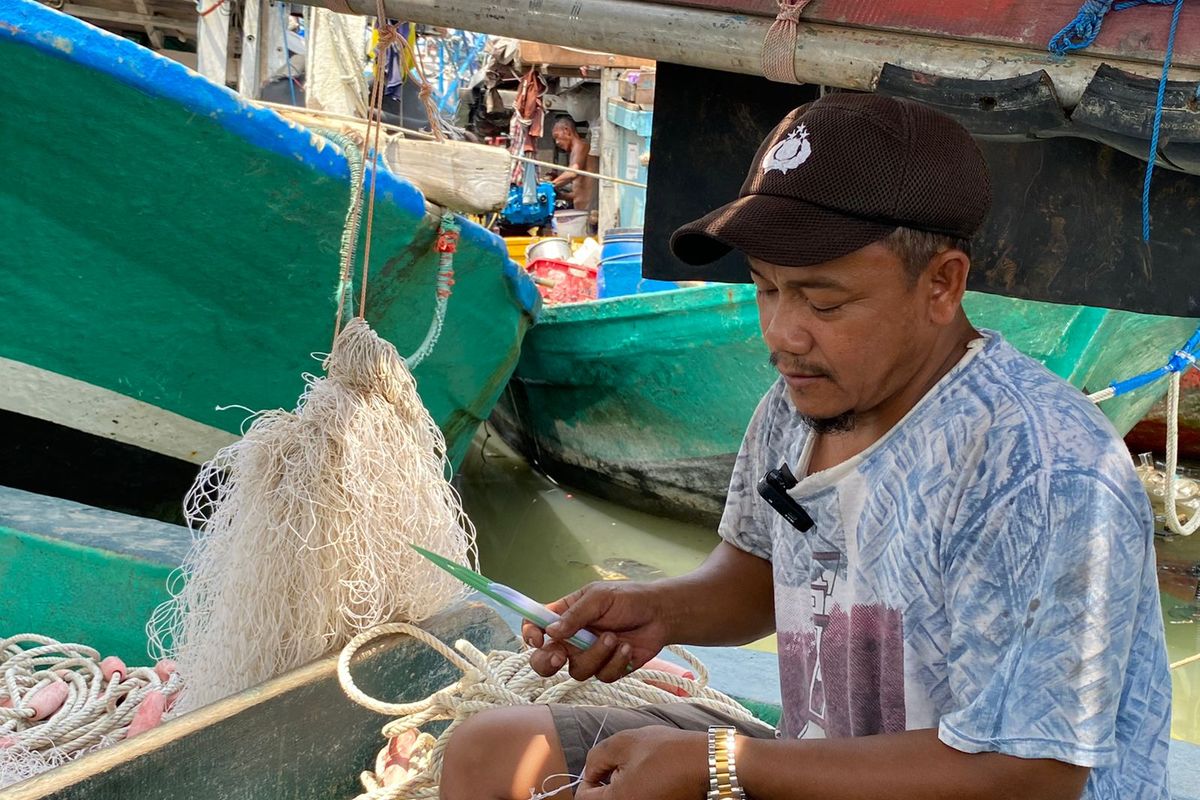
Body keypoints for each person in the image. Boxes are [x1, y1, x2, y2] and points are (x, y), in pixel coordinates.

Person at [439, 93, 1172, 800]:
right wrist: (656, 610)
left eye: (824, 302)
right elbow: (762, 578)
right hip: (812, 763)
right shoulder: (797, 404)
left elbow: (1028, 777)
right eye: (766, 290)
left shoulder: (1043, 469)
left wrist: (724, 764)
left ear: (943, 284)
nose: (783, 334)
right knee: (492, 754)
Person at [550, 116, 593, 210]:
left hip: (587, 211)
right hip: (580, 209)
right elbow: (579, 193)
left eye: (557, 136)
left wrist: (549, 185)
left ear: (566, 130)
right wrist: (561, 195)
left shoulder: (580, 146)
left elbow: (572, 173)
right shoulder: (574, 151)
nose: (557, 142)